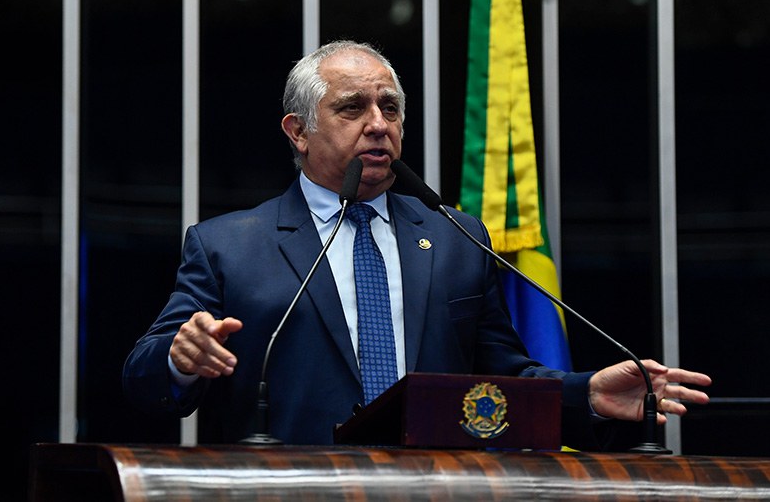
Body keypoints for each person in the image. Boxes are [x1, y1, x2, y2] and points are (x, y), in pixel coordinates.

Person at [123, 40, 710, 447]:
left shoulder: (455, 237)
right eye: (352, 108)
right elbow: (142, 379)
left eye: (391, 108)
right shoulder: (228, 245)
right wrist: (179, 358)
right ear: (298, 131)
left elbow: (501, 379)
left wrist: (587, 396)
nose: (378, 123)